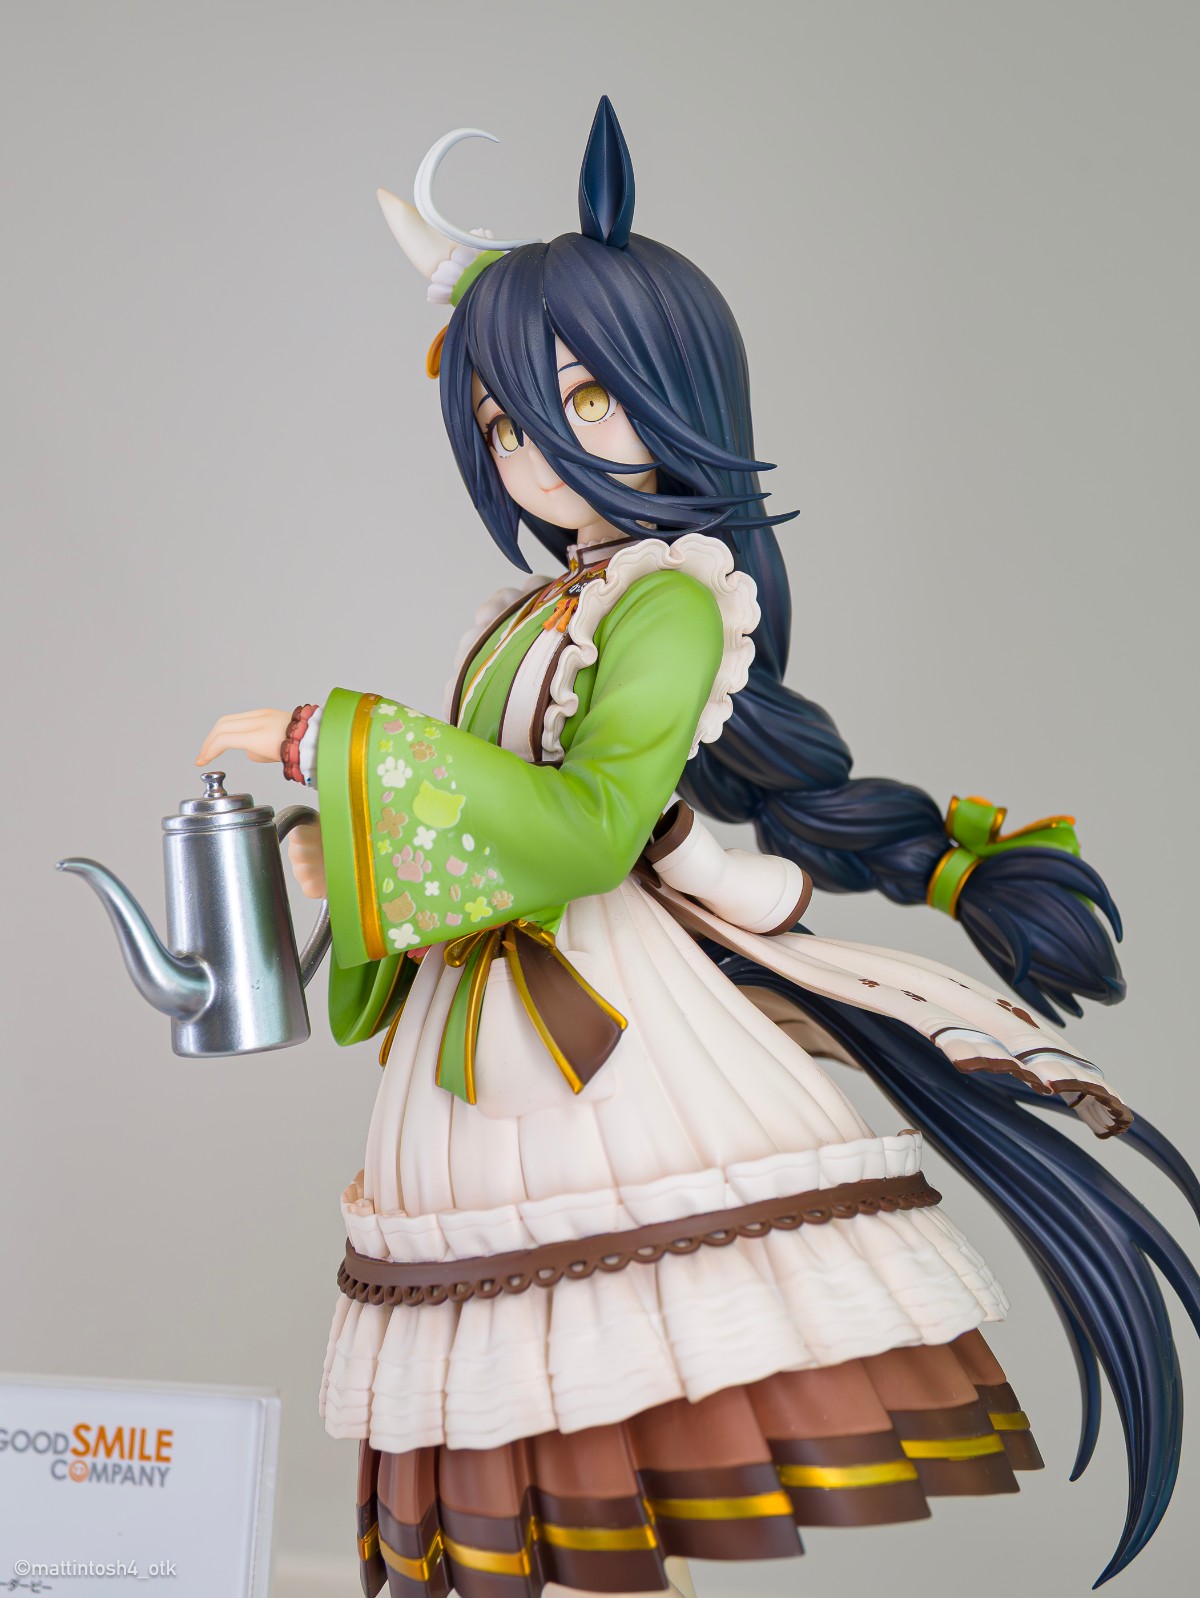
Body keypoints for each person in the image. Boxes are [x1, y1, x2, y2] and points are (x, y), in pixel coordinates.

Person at [196, 99, 1198, 1598]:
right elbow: (479, 800)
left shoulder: (670, 599)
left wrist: (330, 742)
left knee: (608, 1368)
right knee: (510, 1396)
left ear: (676, 390)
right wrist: (336, 838)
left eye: (585, 399)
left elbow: (591, 827)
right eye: (502, 423)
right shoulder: (534, 610)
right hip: (494, 1023)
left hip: (601, 1029)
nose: (536, 451)